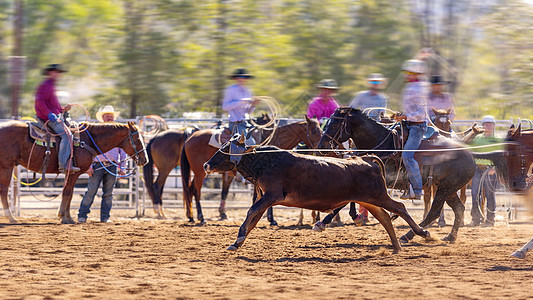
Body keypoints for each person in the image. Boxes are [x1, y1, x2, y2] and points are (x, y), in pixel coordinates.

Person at [349, 73, 388, 224]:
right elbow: (352, 110)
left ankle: (365, 211)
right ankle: (363, 212)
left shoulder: (381, 98)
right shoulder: (361, 96)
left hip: (374, 132)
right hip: (360, 132)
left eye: (377, 82)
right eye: (373, 81)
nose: (374, 84)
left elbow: (381, 115)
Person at [78, 106, 127, 223]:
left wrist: (122, 167)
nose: (109, 118)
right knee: (91, 192)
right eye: (107, 116)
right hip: (96, 165)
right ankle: (82, 215)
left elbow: (123, 152)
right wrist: (88, 166)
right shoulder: (97, 132)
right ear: (103, 118)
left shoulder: (118, 134)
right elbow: (89, 149)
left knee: (108, 193)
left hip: (112, 165)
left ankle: (105, 217)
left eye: (111, 116)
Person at [34, 64, 80, 173]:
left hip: (50, 116)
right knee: (68, 135)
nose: (57, 74)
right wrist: (49, 114)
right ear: (50, 73)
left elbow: (52, 105)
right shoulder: (47, 85)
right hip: (47, 118)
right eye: (55, 72)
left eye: (58, 72)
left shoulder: (50, 86)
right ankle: (63, 165)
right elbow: (39, 102)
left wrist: (63, 109)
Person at [396, 59, 429, 200]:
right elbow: (411, 109)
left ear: (417, 74)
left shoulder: (421, 89)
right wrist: (401, 115)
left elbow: (422, 113)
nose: (407, 75)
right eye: (407, 72)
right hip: (408, 124)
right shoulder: (411, 88)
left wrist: (405, 116)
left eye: (410, 73)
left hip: (418, 127)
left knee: (407, 156)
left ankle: (416, 190)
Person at [468, 115, 503, 227]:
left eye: (490, 124)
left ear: (493, 126)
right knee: (474, 194)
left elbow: (502, 157)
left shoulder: (498, 139)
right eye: (486, 124)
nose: (488, 126)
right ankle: (476, 219)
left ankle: (490, 220)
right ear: (482, 126)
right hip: (478, 169)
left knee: (489, 195)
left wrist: (495, 168)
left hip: (490, 170)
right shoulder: (477, 138)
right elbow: (471, 153)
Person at [222, 68, 260, 143]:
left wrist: (253, 105)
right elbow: (225, 106)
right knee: (248, 143)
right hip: (235, 123)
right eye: (240, 77)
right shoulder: (231, 89)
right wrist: (242, 101)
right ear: (236, 78)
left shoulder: (248, 90)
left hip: (244, 122)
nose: (242, 79)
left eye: (244, 77)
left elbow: (248, 111)